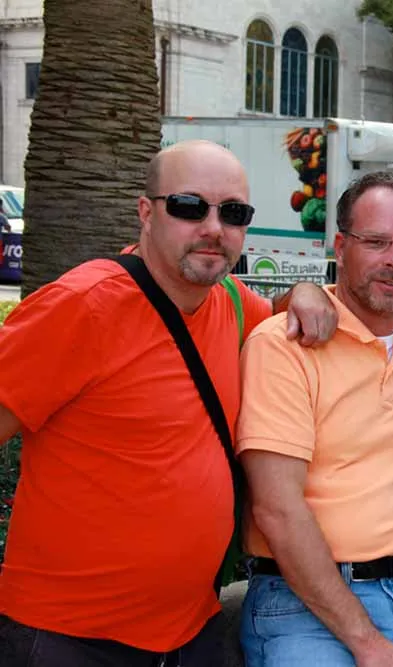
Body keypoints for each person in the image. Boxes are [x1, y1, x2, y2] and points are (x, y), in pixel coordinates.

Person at [0, 140, 337, 667]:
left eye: (233, 213)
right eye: (188, 206)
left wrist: (305, 292)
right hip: (68, 638)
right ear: (146, 212)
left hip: (191, 633)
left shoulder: (232, 305)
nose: (213, 228)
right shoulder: (83, 305)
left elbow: (282, 313)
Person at [236, 171, 393, 667]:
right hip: (302, 602)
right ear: (340, 246)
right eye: (376, 242)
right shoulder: (284, 346)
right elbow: (277, 511)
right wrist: (368, 643)